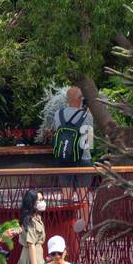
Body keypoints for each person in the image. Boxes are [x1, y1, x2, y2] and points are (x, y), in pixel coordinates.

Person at [53, 86, 95, 225]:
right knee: (83, 197)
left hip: (63, 158)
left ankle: (66, 228)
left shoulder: (58, 114)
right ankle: (84, 228)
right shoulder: (86, 116)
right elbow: (88, 142)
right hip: (83, 160)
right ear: (80, 99)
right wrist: (86, 113)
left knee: (66, 196)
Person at [14, 189, 47, 264]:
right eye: (39, 200)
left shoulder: (37, 217)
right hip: (32, 256)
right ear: (31, 203)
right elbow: (31, 244)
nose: (42, 202)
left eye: (43, 199)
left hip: (36, 254)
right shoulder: (30, 220)